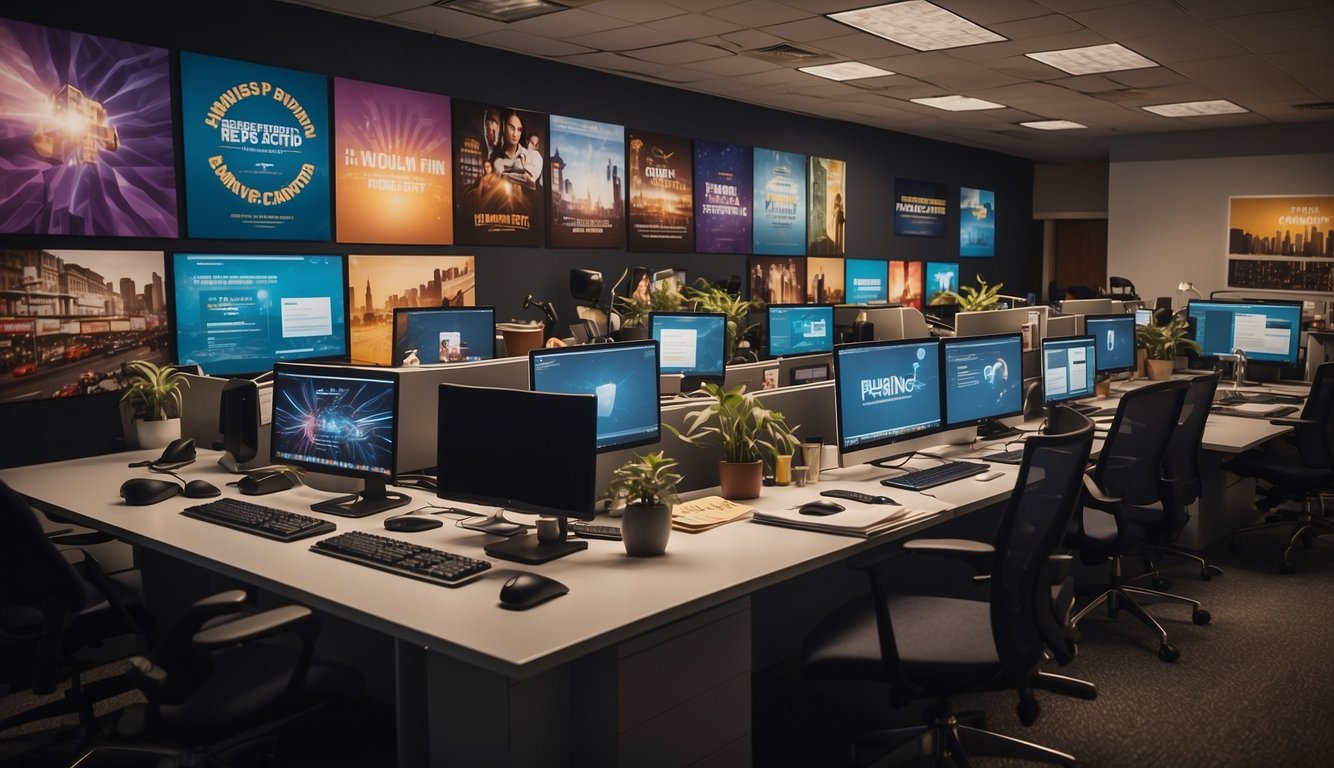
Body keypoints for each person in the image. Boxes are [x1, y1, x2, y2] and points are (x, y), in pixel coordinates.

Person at [490, 110, 542, 188]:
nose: (515, 134)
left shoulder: (533, 156)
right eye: (511, 128)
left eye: (519, 129)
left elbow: (529, 180)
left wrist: (505, 171)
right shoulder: (494, 157)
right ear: (503, 127)